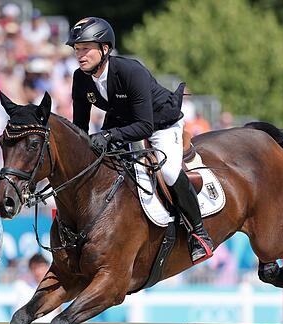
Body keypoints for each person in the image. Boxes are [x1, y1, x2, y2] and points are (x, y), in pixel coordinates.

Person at [66, 17, 214, 264]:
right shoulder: (80, 78)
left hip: (159, 122)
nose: (79, 55)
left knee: (167, 172)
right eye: (77, 49)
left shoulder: (130, 71)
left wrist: (109, 135)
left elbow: (144, 125)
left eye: (85, 48)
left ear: (104, 49)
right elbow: (79, 127)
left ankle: (198, 233)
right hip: (122, 121)